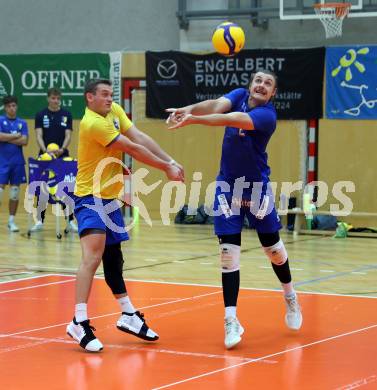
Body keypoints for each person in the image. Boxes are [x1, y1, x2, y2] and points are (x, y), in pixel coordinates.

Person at [166, 69, 302, 349]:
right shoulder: (239, 95)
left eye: (268, 83)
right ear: (250, 85)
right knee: (228, 255)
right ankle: (231, 320)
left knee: (273, 250)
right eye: (258, 81)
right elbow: (217, 106)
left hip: (256, 189)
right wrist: (186, 109)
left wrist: (194, 120)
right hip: (227, 187)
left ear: (273, 93)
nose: (261, 85)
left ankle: (289, 295)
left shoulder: (267, 116)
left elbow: (229, 119)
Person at [66, 78, 184, 352]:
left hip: (110, 197)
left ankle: (128, 314)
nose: (109, 99)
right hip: (90, 197)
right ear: (89, 98)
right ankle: (78, 321)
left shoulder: (114, 111)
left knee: (113, 259)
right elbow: (132, 148)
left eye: (111, 94)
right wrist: (165, 168)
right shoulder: (93, 123)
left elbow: (140, 137)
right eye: (104, 95)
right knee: (92, 257)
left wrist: (170, 160)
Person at [31, 87, 77, 232]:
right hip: (45, 157)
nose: (55, 101)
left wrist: (61, 149)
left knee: (65, 189)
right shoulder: (40, 115)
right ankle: (39, 221)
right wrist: (46, 151)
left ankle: (70, 222)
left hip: (62, 156)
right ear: (48, 98)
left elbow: (68, 135)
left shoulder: (66, 114)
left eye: (58, 98)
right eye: (53, 98)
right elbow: (38, 135)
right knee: (43, 188)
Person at [0, 96, 28, 232]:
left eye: (14, 106)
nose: (12, 108)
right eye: (9, 106)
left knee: (15, 193)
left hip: (17, 162)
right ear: (5, 108)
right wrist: (15, 136)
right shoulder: (0, 120)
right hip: (2, 162)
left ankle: (11, 221)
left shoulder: (22, 122)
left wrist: (6, 137)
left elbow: (24, 141)